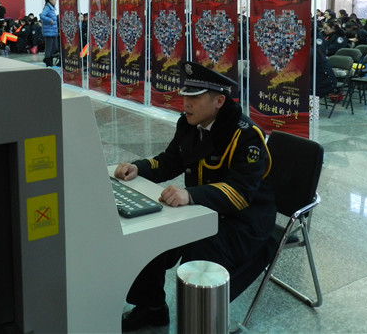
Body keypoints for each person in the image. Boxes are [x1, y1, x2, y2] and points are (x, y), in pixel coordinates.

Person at [114, 62, 276, 331]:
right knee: (148, 236)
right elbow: (171, 160)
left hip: (244, 221)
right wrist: (138, 168)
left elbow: (240, 194)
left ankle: (202, 323)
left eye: (195, 97)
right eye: (186, 95)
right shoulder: (190, 123)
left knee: (199, 251)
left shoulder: (245, 136)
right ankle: (151, 308)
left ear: (219, 101)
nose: (186, 103)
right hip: (201, 210)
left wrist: (190, 195)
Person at [40, 0, 59, 67]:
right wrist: (49, 20)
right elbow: (42, 15)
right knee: (49, 48)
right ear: (50, 0)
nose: (55, 1)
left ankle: (48, 59)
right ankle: (48, 62)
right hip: (49, 32)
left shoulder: (52, 9)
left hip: (53, 31)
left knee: (55, 48)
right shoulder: (47, 8)